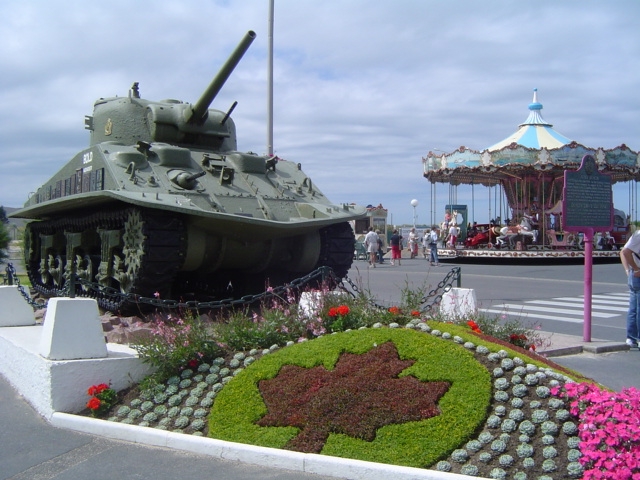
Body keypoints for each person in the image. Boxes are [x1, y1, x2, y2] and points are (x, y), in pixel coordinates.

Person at [620, 230, 640, 348]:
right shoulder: (638, 235)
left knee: (634, 308)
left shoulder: (637, 234)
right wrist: (635, 269)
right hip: (637, 274)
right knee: (637, 309)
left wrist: (629, 270)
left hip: (634, 274)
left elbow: (623, 251)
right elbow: (625, 252)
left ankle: (631, 338)